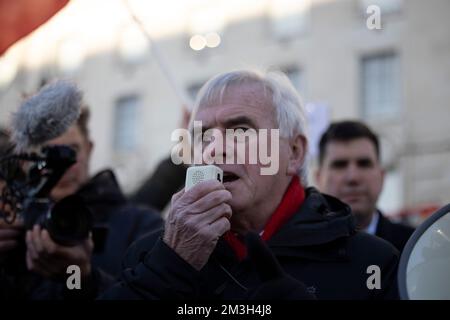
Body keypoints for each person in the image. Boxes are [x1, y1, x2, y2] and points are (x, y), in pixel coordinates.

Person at [102, 69, 400, 300]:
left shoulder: (373, 263)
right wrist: (169, 268)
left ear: (294, 153)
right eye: (203, 136)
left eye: (241, 131)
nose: (215, 149)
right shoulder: (149, 254)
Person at [0, 85, 163, 299]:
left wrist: (79, 277)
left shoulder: (141, 226)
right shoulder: (13, 227)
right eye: (45, 154)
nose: (62, 166)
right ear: (23, 162)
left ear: (89, 148)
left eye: (70, 151)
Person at [315, 120, 414, 252]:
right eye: (340, 165)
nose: (353, 177)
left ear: (382, 176)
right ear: (318, 178)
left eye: (364, 164)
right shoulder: (293, 252)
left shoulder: (415, 248)